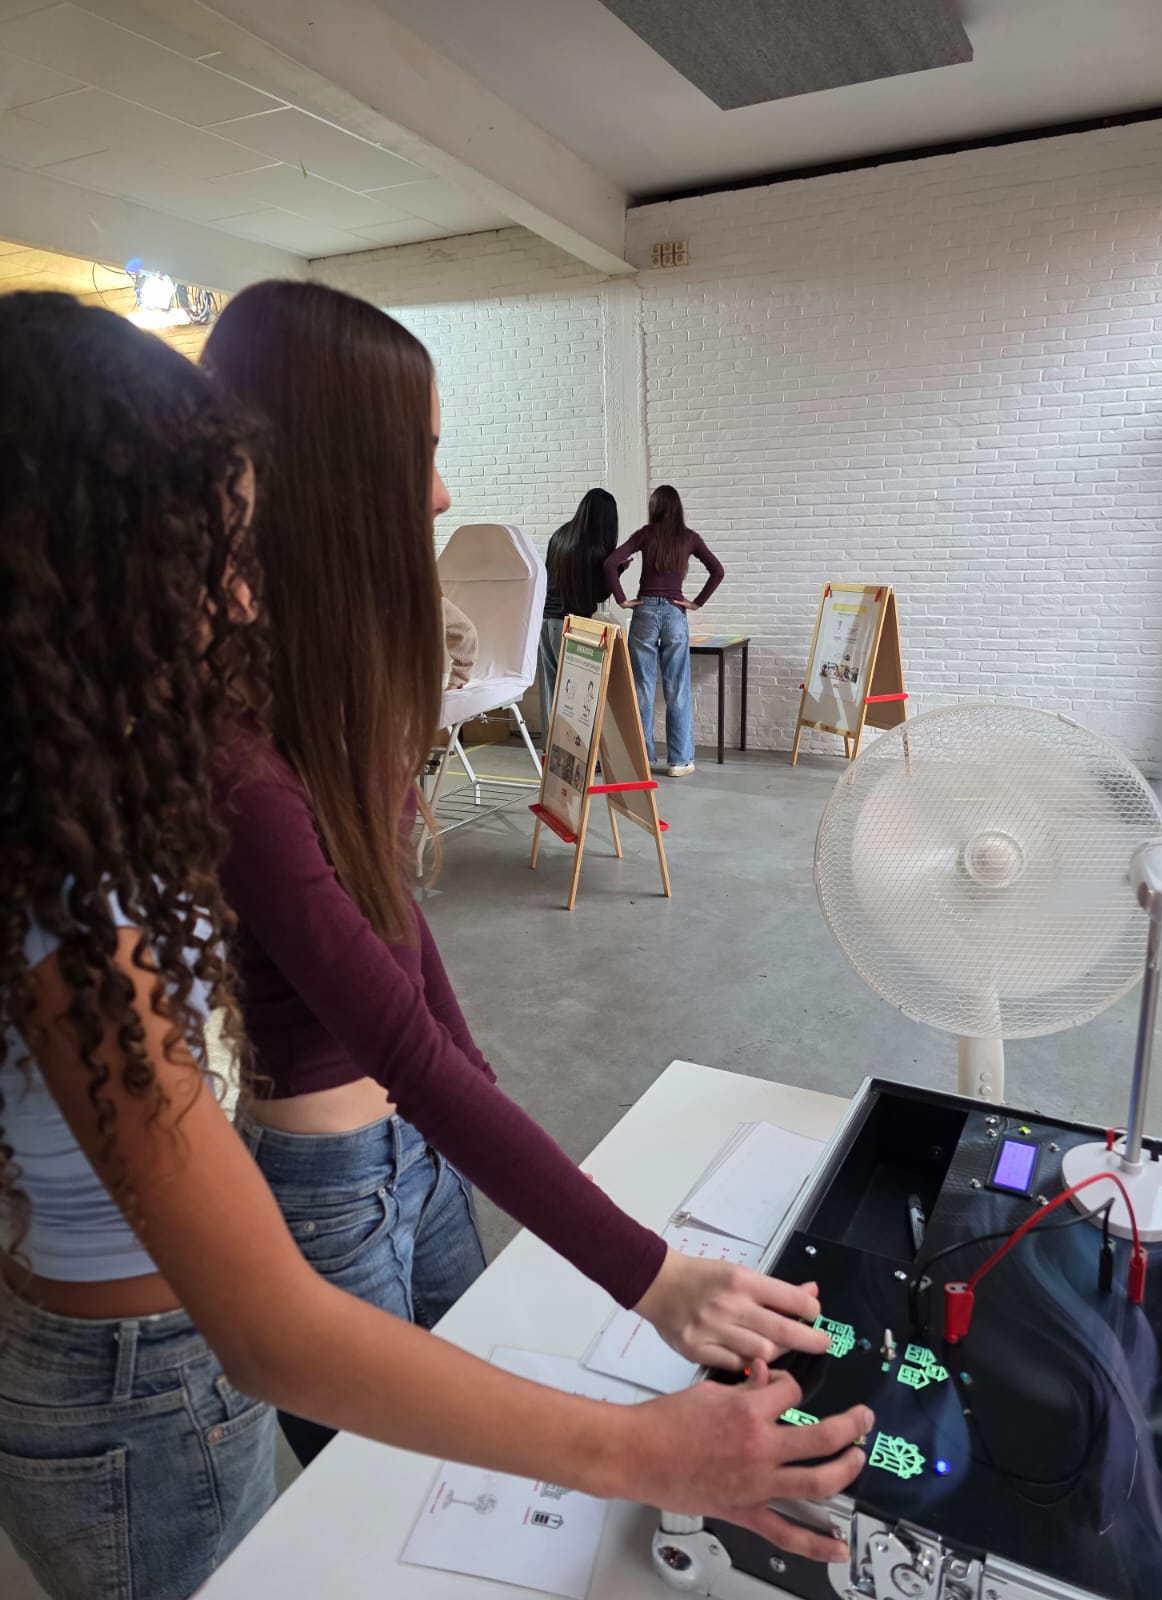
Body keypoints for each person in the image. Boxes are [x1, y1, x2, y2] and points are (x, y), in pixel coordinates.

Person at [0, 290, 872, 1599]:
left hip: (169, 1360)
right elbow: (275, 1327)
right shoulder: (83, 886)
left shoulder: (114, 798)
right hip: (139, 1391)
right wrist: (644, 1441)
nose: (238, 590)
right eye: (211, 546)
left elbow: (400, 973)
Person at [203, 280, 844, 1465]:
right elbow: (396, 1039)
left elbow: (401, 937)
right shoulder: (232, 752)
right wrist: (651, 1277)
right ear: (332, 468)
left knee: (472, 1480)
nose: (443, 492)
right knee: (386, 1491)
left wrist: (480, 1109)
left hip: (422, 1152)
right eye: (422, 453)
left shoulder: (335, 685)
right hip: (328, 1191)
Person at [605, 485, 725, 777]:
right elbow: (718, 571)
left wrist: (622, 600)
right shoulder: (689, 538)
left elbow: (610, 563)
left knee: (642, 689)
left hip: (645, 612)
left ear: (655, 508)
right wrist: (696, 603)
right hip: (674, 614)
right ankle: (680, 762)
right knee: (677, 688)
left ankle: (643, 759)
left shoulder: (645, 534)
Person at [538, 487, 621, 739]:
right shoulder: (595, 548)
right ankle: (579, 750)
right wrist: (616, 572)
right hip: (572, 626)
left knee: (554, 690)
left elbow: (547, 576)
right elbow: (597, 596)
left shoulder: (560, 535)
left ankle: (555, 750)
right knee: (578, 694)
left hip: (545, 621)